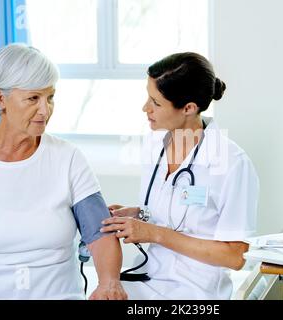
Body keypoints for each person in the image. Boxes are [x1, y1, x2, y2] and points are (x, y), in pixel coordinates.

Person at [0, 44, 127, 300]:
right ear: (1, 98)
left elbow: (99, 232)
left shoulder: (68, 158)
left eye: (50, 97)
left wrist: (109, 282)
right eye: (34, 98)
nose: (45, 110)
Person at [102, 52, 259, 300]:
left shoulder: (232, 163)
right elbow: (175, 212)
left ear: (188, 108)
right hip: (148, 280)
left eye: (156, 102)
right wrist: (138, 215)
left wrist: (153, 233)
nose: (145, 108)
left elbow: (235, 256)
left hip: (195, 293)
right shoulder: (154, 144)